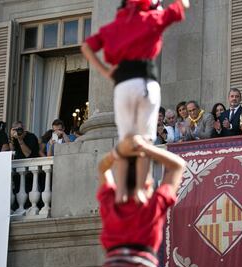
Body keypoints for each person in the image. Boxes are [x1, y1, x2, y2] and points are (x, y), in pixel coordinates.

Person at [81, 0, 189, 204]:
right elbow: (180, 6)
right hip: (146, 82)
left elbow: (86, 46)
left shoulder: (114, 26)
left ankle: (121, 190)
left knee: (125, 142)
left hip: (122, 85)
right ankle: (140, 188)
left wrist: (105, 71)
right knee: (144, 141)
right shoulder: (152, 17)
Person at [96, 135, 185, 267]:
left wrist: (118, 152)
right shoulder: (154, 204)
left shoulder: (111, 201)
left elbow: (101, 168)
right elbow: (178, 166)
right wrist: (144, 147)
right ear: (148, 181)